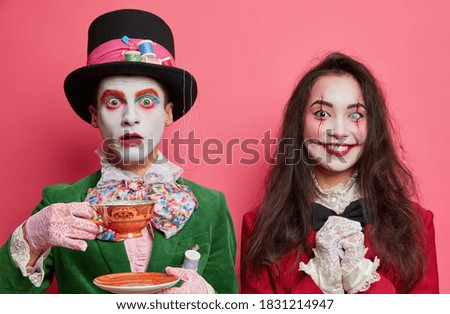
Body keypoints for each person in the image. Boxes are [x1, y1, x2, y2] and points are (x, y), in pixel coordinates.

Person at [0, 9, 237, 294]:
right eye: (113, 102)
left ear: (168, 113)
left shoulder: (211, 207)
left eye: (147, 101)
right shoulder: (60, 203)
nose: (130, 117)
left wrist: (208, 300)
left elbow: (230, 299)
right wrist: (29, 239)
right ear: (94, 116)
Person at [240, 52, 439, 294]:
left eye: (356, 115)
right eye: (322, 114)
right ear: (299, 123)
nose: (339, 131)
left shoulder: (416, 224)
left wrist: (362, 276)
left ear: (372, 126)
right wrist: (320, 276)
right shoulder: (260, 226)